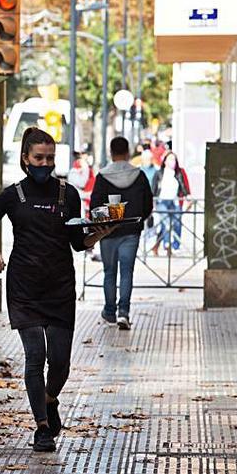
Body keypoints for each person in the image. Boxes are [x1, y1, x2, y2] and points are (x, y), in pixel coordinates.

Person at [0, 128, 114, 453]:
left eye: (50, 158)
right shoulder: (13, 195)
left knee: (60, 362)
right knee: (35, 357)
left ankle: (49, 399)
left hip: (60, 288)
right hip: (24, 288)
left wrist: (99, 234)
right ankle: (42, 428)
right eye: (39, 158)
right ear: (25, 159)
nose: (45, 164)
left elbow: (78, 243)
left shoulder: (69, 194)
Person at [90, 137, 154, 331]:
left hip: (108, 232)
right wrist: (138, 219)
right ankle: (123, 313)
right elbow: (148, 204)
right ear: (128, 153)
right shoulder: (139, 175)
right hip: (131, 231)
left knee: (109, 272)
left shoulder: (102, 176)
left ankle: (109, 312)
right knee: (127, 272)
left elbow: (94, 205)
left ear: (111, 152)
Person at [151, 151, 191, 254]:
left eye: (174, 159)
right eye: (170, 159)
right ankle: (167, 245)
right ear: (165, 161)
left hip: (175, 201)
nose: (172, 162)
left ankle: (174, 245)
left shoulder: (178, 173)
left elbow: (183, 186)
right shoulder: (159, 173)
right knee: (166, 221)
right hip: (161, 201)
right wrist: (152, 202)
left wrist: (187, 196)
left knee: (177, 222)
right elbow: (154, 188)